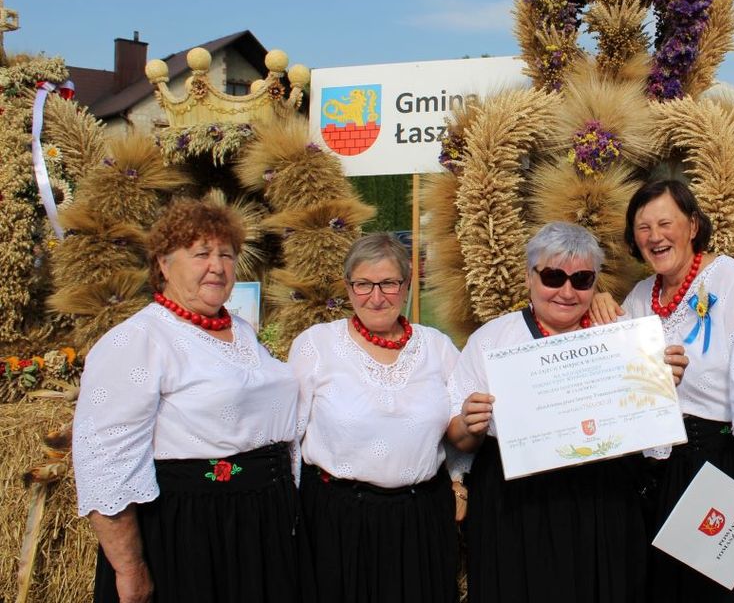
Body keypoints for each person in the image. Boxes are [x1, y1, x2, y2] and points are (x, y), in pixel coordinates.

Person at [72, 198, 307, 603]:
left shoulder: (241, 332)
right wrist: (130, 569)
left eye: (226, 254)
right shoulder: (139, 340)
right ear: (164, 264)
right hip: (193, 530)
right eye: (201, 253)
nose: (216, 266)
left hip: (260, 523)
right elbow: (106, 465)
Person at [447, 221, 686, 603]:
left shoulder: (622, 334)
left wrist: (661, 380)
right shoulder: (492, 340)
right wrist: (467, 422)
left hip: (602, 497)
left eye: (581, 280)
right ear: (529, 277)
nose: (566, 291)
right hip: (516, 502)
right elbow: (458, 439)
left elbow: (647, 419)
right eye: (553, 276)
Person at [600, 178, 734, 602]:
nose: (654, 236)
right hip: (655, 472)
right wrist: (599, 304)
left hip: (716, 464)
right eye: (643, 228)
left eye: (666, 222)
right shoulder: (640, 296)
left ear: (693, 225)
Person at [288, 232, 463, 602]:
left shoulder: (437, 347)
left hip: (420, 519)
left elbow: (460, 426)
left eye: (388, 283)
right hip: (338, 519)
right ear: (349, 287)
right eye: (364, 284)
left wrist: (459, 481)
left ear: (407, 284)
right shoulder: (316, 345)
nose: (377, 296)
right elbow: (290, 434)